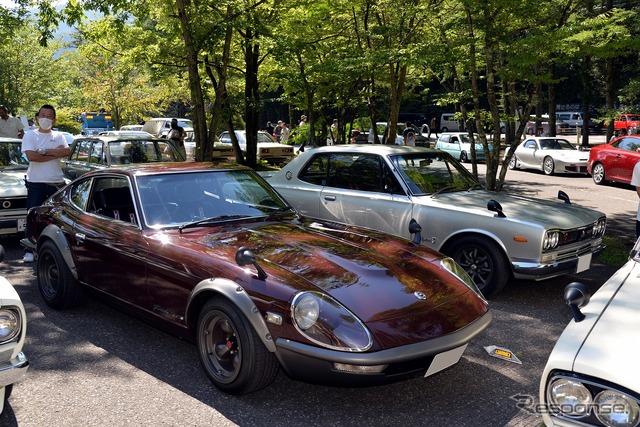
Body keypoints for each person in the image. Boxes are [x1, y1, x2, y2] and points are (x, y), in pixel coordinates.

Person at [21, 104, 70, 262]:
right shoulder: (30, 135)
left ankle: (57, 250)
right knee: (33, 215)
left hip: (56, 181)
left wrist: (44, 151)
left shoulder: (59, 136)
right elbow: (31, 157)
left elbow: (66, 152)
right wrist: (54, 153)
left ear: (54, 120)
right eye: (42, 115)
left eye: (49, 116)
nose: (45, 118)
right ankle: (29, 249)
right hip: (36, 181)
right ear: (37, 118)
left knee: (57, 217)